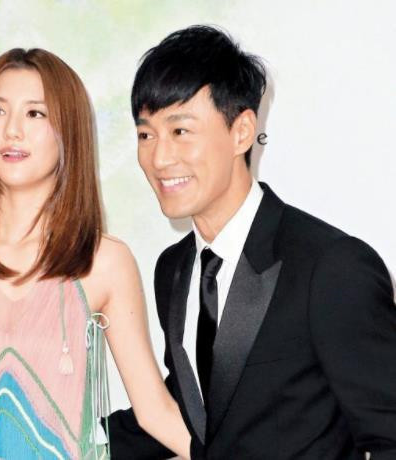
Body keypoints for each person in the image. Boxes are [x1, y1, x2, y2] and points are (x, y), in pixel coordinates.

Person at [107, 25, 396, 459]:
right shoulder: (174, 268)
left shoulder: (331, 267)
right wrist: (58, 437)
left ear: (242, 132)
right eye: (146, 134)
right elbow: (196, 406)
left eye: (180, 131)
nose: (159, 157)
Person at [0, 48, 191, 459]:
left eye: (35, 114)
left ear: (69, 131)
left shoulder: (103, 263)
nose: (12, 131)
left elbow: (155, 412)